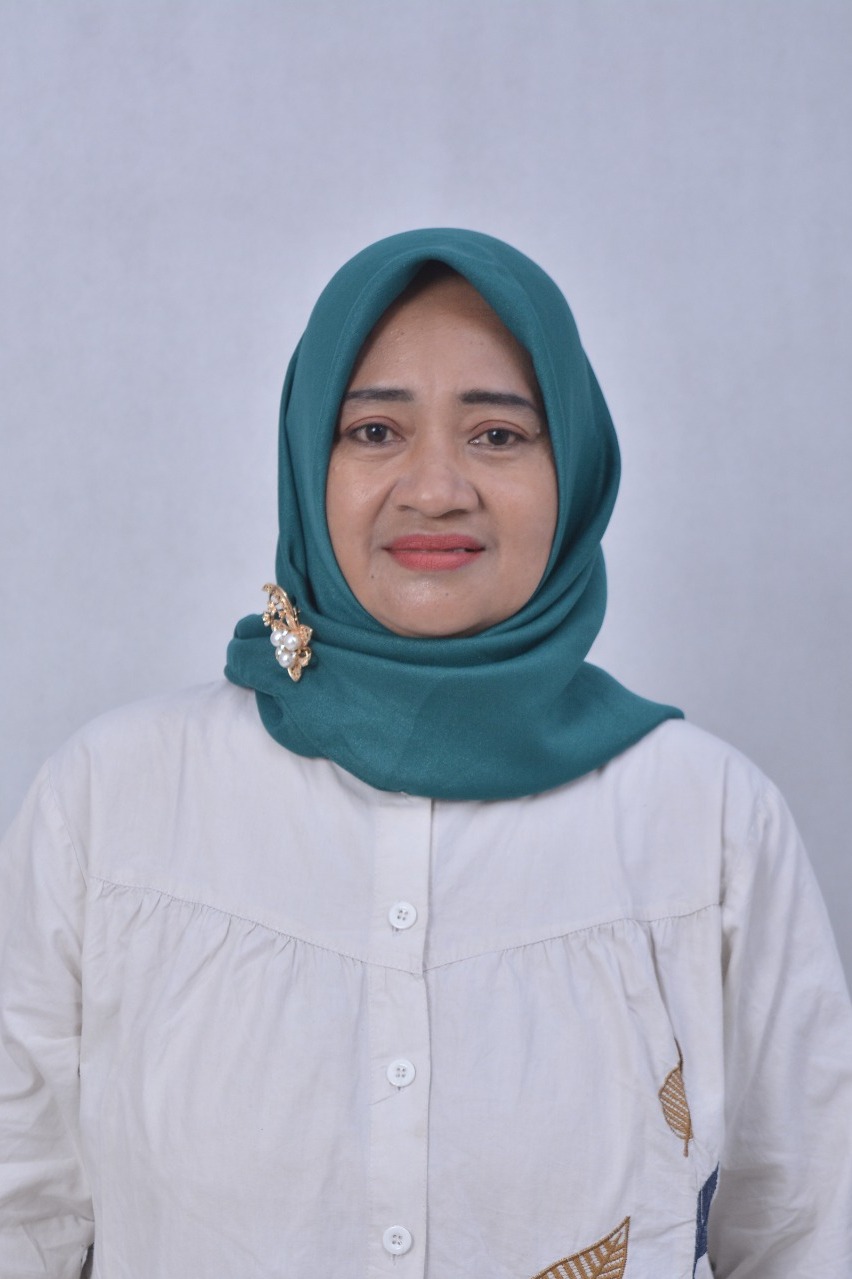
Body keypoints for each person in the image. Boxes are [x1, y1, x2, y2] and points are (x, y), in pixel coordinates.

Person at [1, 229, 850, 1279]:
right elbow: (19, 1216)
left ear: (576, 468)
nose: (437, 487)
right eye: (374, 430)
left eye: (498, 434)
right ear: (307, 461)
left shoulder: (708, 822)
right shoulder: (113, 801)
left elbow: (811, 1232)